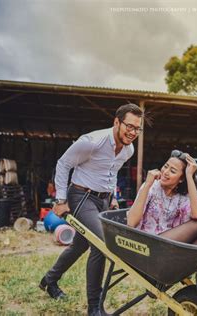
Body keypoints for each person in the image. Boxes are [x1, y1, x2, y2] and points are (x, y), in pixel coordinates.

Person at [40, 103, 144, 316]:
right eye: (129, 126)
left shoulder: (129, 149)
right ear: (116, 122)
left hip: (103, 200)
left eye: (137, 128)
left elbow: (112, 171)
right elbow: (63, 164)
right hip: (81, 196)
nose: (133, 132)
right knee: (101, 244)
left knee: (79, 245)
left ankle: (49, 281)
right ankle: (94, 308)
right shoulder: (92, 142)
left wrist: (112, 196)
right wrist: (60, 200)